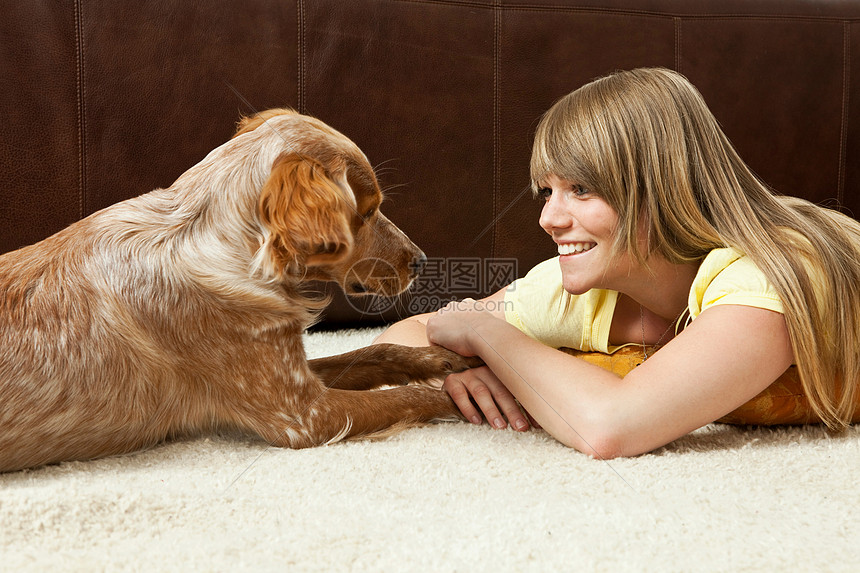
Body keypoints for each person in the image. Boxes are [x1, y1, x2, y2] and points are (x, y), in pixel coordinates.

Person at [374, 68, 860, 458]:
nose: (548, 218)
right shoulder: (583, 293)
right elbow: (410, 335)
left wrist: (487, 335)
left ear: (663, 187)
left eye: (580, 189)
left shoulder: (775, 273)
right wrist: (454, 372)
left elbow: (610, 427)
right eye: (548, 191)